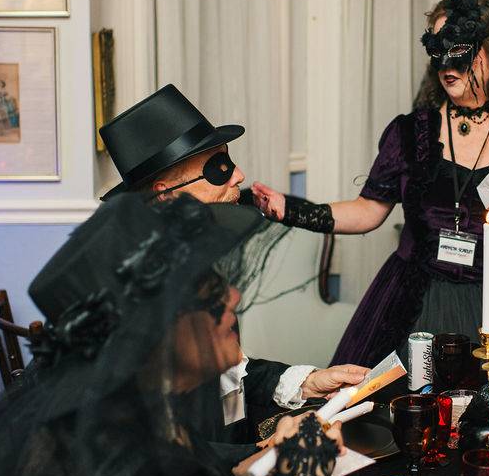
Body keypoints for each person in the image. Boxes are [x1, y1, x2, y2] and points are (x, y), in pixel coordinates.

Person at [0, 194, 344, 476]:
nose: (234, 297)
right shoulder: (132, 470)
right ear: (158, 330)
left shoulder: (135, 410)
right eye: (208, 290)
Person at [252, 0, 489, 371]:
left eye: (456, 48)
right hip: (410, 303)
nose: (445, 64)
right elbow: (367, 211)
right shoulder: (410, 134)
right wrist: (291, 209)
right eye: (436, 50)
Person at [99, 84, 367, 444]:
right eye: (218, 168)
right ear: (166, 194)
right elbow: (164, 455)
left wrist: (307, 381)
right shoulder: (140, 300)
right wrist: (260, 455)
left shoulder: (191, 261)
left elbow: (230, 377)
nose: (238, 175)